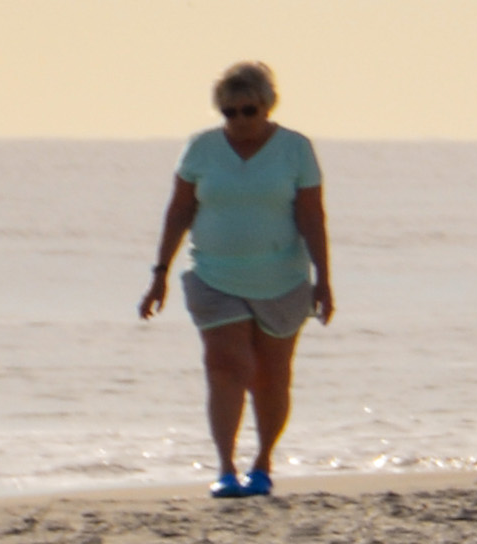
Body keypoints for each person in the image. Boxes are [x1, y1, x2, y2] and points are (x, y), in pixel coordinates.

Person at [141, 62, 333, 500]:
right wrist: (160, 273)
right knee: (226, 366)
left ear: (267, 106)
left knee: (270, 375)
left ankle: (262, 462)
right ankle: (225, 467)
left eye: (249, 110)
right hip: (214, 275)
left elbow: (311, 216)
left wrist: (323, 279)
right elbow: (178, 211)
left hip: (282, 279)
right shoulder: (201, 150)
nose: (240, 121)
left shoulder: (295, 150)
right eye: (230, 112)